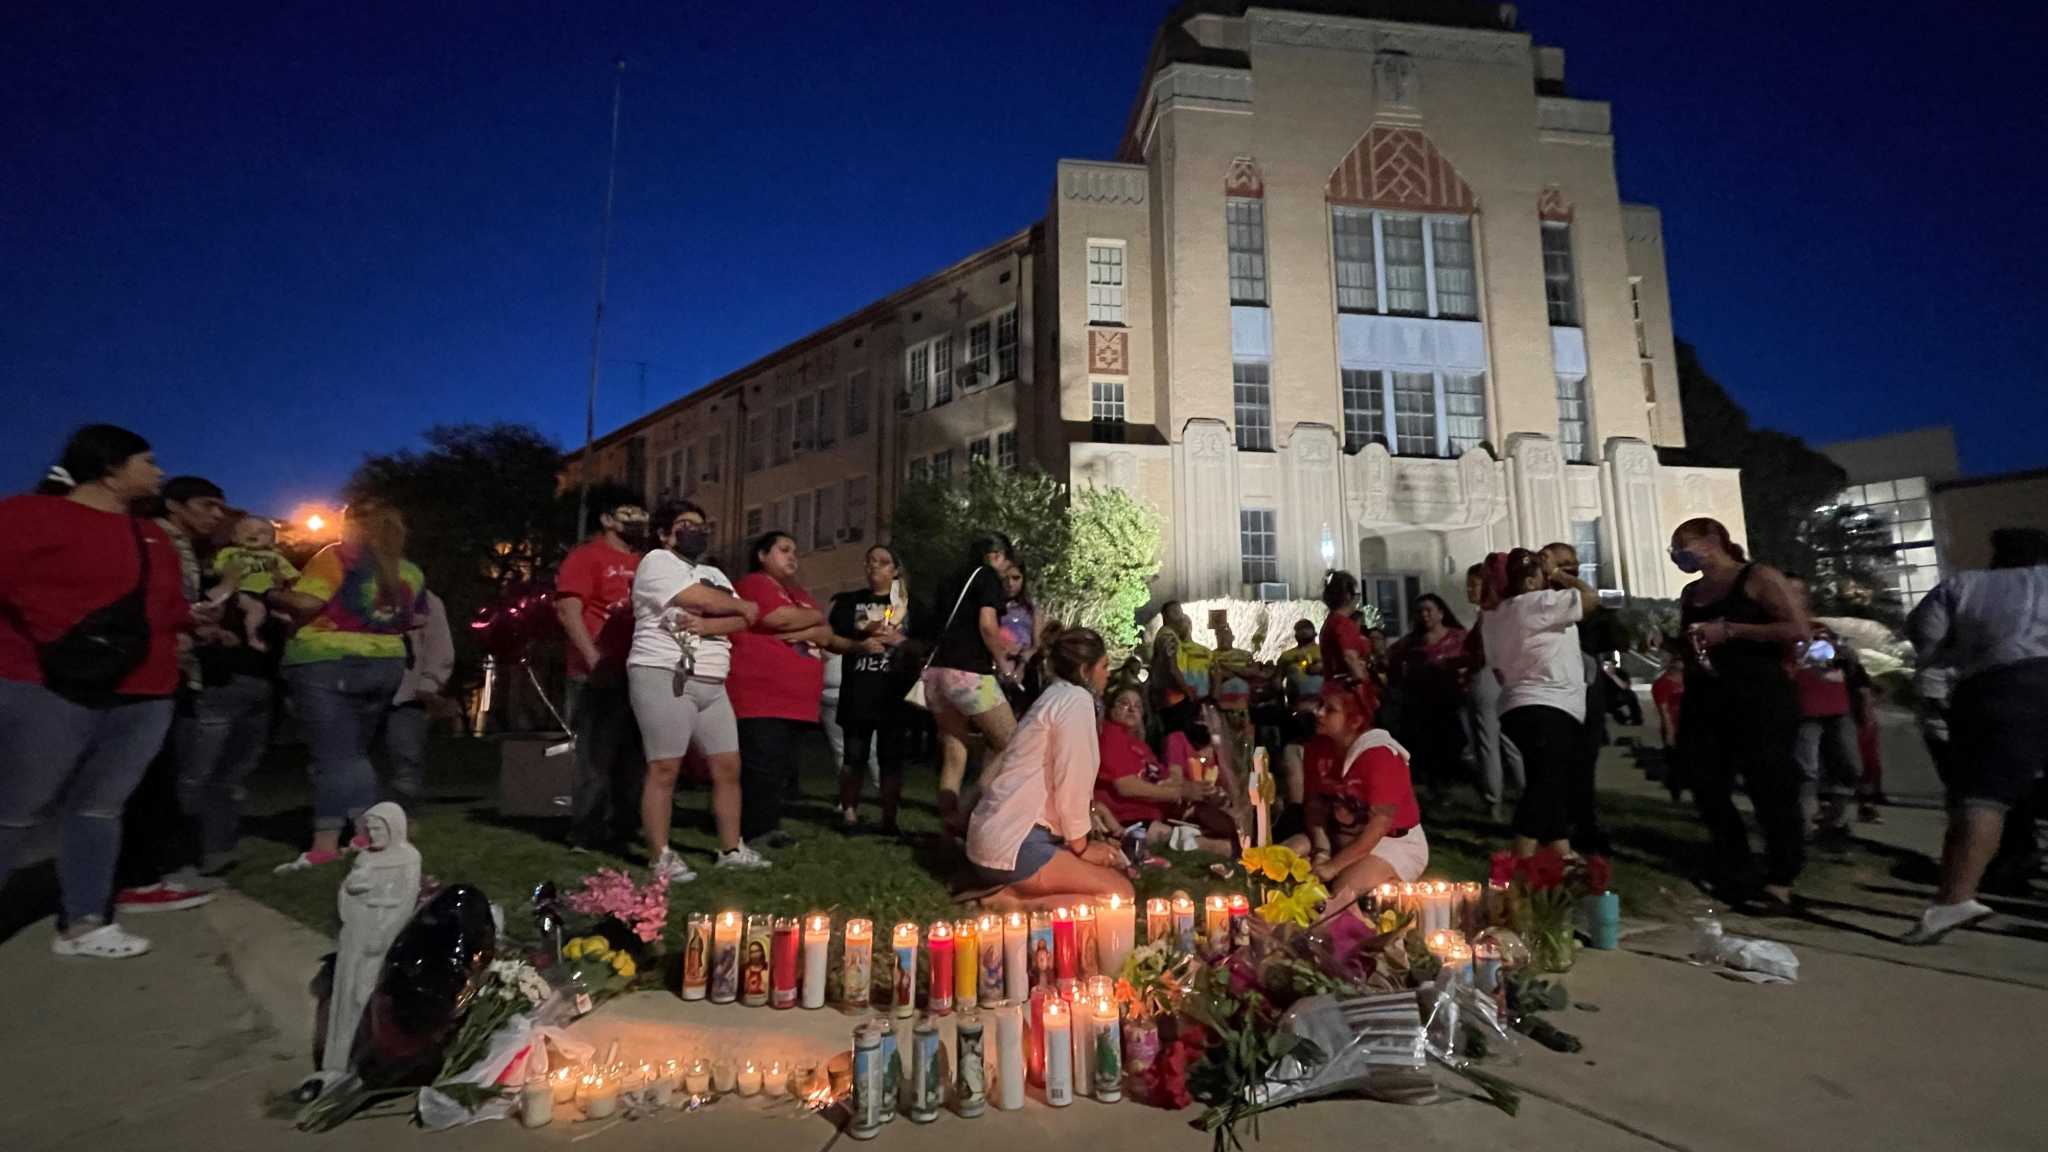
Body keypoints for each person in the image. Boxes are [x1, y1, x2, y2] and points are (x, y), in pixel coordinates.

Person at [0, 426, 196, 957]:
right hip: (47, 684)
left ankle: (84, 922)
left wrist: (198, 623)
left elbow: (168, 609)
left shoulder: (151, 534)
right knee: (19, 806)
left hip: (147, 689)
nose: (158, 471)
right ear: (110, 467)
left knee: (101, 807)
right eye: (147, 461)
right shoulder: (27, 514)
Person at [1901, 528, 2048, 943]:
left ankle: (1955, 900)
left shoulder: (1963, 585)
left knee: (1984, 797)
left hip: (2003, 686)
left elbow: (1925, 635)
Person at [269, 500, 428, 872]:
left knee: (333, 757)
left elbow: (307, 602)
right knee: (354, 753)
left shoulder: (338, 557)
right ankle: (366, 834)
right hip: (385, 663)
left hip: (327, 661)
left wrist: (273, 594)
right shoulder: (410, 570)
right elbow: (417, 618)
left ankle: (324, 845)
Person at [1671, 516, 1810, 910]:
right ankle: (1733, 860)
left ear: (1712, 541)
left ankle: (1781, 875)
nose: (1679, 554)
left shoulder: (1757, 577)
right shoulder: (1691, 591)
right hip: (1706, 694)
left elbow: (1798, 629)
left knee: (1769, 783)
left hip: (1759, 693)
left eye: (1684, 544)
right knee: (1705, 780)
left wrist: (1731, 630)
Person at [111, 475, 234, 912]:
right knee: (146, 779)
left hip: (171, 669)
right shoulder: (155, 538)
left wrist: (202, 627)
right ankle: (137, 879)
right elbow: (153, 603)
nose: (217, 515)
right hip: (147, 673)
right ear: (174, 505)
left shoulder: (182, 547)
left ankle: (148, 872)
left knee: (159, 776)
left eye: (221, 507)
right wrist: (192, 618)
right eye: (207, 505)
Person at [627, 501, 763, 878]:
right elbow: (700, 599)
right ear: (664, 532)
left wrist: (709, 626)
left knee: (727, 766)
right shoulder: (657, 562)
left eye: (702, 526)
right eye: (686, 524)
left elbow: (741, 621)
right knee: (665, 767)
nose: (696, 531)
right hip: (665, 673)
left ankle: (731, 848)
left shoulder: (713, 573)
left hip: (712, 681)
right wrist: (740, 606)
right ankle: (661, 857)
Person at [965, 628, 1134, 910]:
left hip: (995, 839)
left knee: (1109, 882)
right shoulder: (1076, 701)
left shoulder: (1054, 696)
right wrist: (1082, 848)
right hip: (1015, 844)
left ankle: (1015, 896)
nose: (1108, 674)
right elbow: (1072, 782)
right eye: (1104, 666)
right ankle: (1009, 903)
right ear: (1085, 670)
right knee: (1119, 895)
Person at [728, 531, 846, 850]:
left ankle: (769, 824)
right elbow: (776, 617)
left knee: (779, 768)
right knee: (761, 765)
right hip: (761, 695)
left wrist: (809, 623)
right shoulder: (754, 584)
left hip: (794, 701)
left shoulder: (799, 594)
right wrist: (813, 620)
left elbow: (825, 631)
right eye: (783, 550)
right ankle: (755, 830)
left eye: (795, 550)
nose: (792, 556)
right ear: (762, 556)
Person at [1480, 548, 1598, 859]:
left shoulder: (1493, 618)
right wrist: (1560, 575)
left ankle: (1562, 851)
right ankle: (1519, 858)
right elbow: (1590, 598)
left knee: (1546, 779)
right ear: (1533, 581)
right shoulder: (1541, 602)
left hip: (1517, 705)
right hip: (1551, 704)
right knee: (1546, 783)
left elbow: (1497, 668)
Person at [553, 489, 649, 852]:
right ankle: (587, 831)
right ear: (607, 519)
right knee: (597, 755)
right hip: (597, 673)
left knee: (633, 758)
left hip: (638, 671)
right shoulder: (586, 557)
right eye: (630, 511)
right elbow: (569, 612)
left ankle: (625, 827)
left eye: (642, 511)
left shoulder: (645, 562)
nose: (638, 518)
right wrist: (594, 659)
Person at [1284, 683, 1428, 919]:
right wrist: (1322, 850)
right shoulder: (1317, 749)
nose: (1318, 713)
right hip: (1339, 834)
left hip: (1391, 842)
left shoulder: (1381, 756)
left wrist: (1332, 867)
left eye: (1330, 710)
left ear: (1354, 720)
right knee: (1284, 857)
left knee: (1341, 893)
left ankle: (1365, 934)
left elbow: (1378, 827)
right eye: (1320, 706)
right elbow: (1314, 806)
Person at [924, 533, 1022, 834]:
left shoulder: (949, 580)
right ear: (995, 555)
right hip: (969, 674)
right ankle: (966, 814)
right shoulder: (987, 578)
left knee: (955, 750)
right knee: (1015, 744)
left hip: (936, 675)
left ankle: (947, 828)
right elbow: (987, 625)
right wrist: (1005, 666)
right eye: (1006, 559)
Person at [830, 545, 914, 833]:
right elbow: (833, 635)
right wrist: (866, 635)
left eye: (883, 562)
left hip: (894, 694)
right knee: (854, 757)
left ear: (895, 569)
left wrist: (900, 642)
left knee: (891, 760)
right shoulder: (850, 602)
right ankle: (849, 813)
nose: (875, 566)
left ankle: (889, 820)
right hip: (858, 691)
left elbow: (924, 642)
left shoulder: (908, 604)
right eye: (870, 561)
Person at [1093, 685, 1236, 855]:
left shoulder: (1140, 745)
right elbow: (1126, 786)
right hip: (1129, 819)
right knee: (1220, 845)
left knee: (1225, 823)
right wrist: (1180, 792)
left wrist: (1199, 790)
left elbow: (1165, 779)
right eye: (1124, 704)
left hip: (1161, 813)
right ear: (1110, 709)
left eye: (1138, 706)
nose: (1132, 709)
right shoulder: (1111, 735)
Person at [1783, 573, 1869, 841]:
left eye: (1801, 591)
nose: (1799, 597)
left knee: (1850, 766)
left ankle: (1834, 819)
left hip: (1837, 706)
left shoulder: (1822, 627)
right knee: (1806, 770)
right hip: (1804, 708)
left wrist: (1862, 691)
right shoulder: (1774, 630)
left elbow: (1848, 667)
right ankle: (1806, 827)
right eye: (1791, 591)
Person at [1541, 541, 1614, 855]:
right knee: (1554, 765)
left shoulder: (1582, 601)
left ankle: (1584, 826)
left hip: (1586, 689)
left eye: (1572, 563)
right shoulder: (1539, 600)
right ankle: (1556, 828)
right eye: (1561, 564)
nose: (1569, 569)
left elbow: (1609, 630)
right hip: (1552, 691)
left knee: (1584, 763)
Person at [1459, 556, 1525, 822]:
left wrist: (1468, 664)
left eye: (1473, 585)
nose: (1469, 591)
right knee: (1510, 741)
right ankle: (1524, 792)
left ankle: (1493, 800)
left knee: (1489, 742)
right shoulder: (1506, 611)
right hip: (1507, 677)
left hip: (1487, 678)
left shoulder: (1489, 615)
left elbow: (1483, 652)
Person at [1386, 593, 1468, 797]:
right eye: (1420, 611)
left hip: (1450, 697)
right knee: (1426, 743)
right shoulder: (1412, 642)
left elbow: (1472, 658)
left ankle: (1449, 781)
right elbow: (1390, 657)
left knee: (1451, 740)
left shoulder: (1458, 637)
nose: (1424, 615)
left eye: (1428, 610)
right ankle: (1432, 784)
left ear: (1441, 612)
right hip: (1420, 699)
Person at [382, 589, 453, 806]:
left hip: (407, 695)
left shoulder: (425, 599)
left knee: (407, 760)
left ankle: (402, 816)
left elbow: (439, 645)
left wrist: (428, 684)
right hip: (364, 692)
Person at [210, 515, 298, 652]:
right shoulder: (231, 552)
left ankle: (275, 613)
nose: (253, 533)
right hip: (242, 591)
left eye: (262, 532)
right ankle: (252, 636)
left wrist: (282, 577)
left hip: (268, 592)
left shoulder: (275, 556)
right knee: (256, 609)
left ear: (271, 540)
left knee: (283, 606)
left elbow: (291, 574)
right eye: (246, 529)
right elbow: (219, 569)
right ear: (234, 537)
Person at [1319, 571, 1379, 722]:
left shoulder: (1330, 622)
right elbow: (1350, 658)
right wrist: (1365, 687)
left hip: (1332, 689)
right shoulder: (1344, 624)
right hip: (1349, 694)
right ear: (1348, 595)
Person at [1147, 601, 1208, 738]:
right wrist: (1187, 691)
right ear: (1166, 616)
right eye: (1176, 612)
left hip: (1170, 697)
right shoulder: (1168, 636)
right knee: (1179, 738)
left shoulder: (1167, 635)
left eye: (1180, 611)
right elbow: (1172, 667)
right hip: (1173, 698)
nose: (1180, 616)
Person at [996, 559, 1042, 714]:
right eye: (1005, 579)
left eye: (1016, 578)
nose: (1010, 584)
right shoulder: (992, 607)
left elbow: (1037, 645)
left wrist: (1021, 663)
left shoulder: (1031, 609)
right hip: (995, 668)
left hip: (1024, 669)